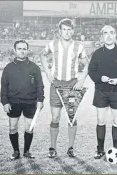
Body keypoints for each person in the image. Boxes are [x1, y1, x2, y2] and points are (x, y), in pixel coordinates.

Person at [39, 18, 89, 158]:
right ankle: (52, 148)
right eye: (64, 29)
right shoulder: (52, 44)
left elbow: (87, 64)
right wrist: (47, 72)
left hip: (72, 85)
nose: (67, 32)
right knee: (55, 117)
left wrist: (82, 80)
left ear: (73, 31)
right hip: (56, 84)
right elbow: (42, 55)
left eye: (69, 29)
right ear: (59, 31)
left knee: (71, 118)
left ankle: (71, 148)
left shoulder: (78, 46)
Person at [88, 25, 117, 159]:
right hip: (101, 91)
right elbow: (92, 71)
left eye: (112, 33)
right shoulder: (97, 53)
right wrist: (99, 78)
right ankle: (100, 149)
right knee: (101, 120)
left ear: (115, 35)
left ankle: (116, 148)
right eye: (106, 33)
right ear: (102, 37)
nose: (109, 35)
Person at [0, 40, 44, 160]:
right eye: (19, 49)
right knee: (12, 128)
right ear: (14, 50)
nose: (22, 51)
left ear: (27, 50)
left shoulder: (34, 67)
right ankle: (15, 151)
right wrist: (5, 102)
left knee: (29, 128)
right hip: (13, 102)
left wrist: (40, 99)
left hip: (30, 102)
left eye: (24, 49)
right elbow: (4, 86)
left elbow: (40, 85)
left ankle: (27, 151)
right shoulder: (8, 68)